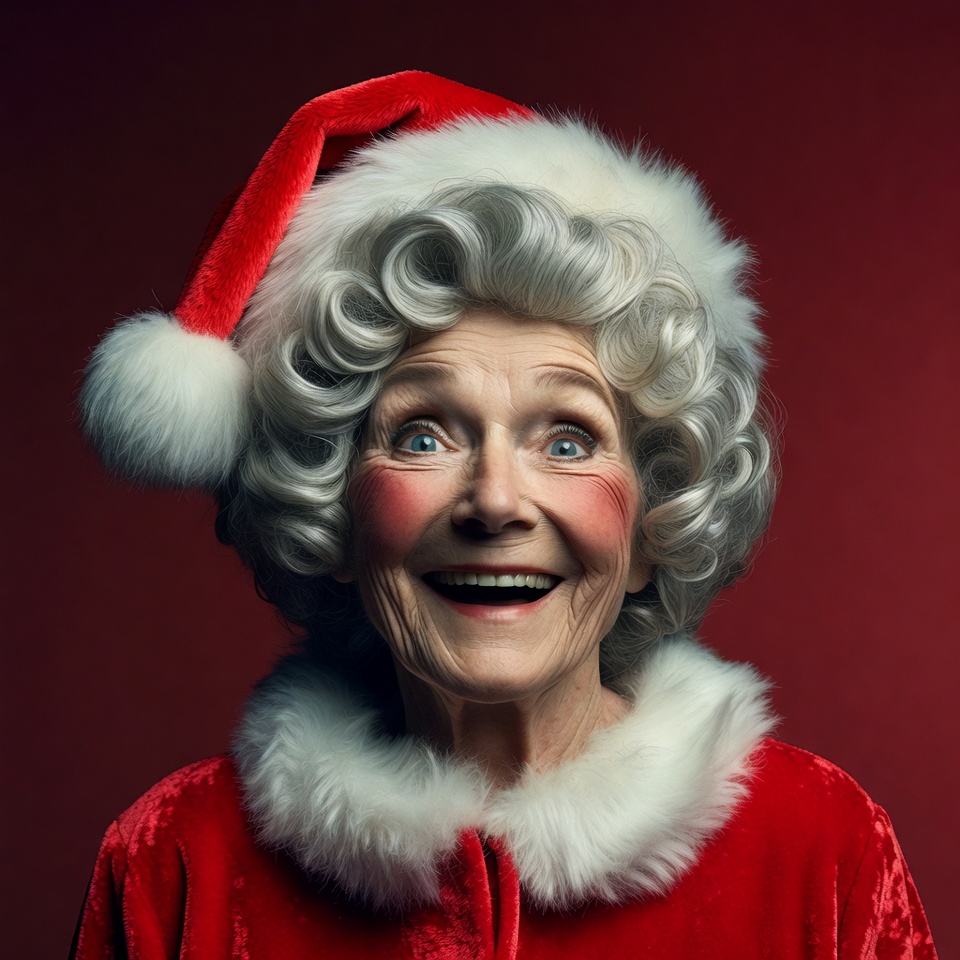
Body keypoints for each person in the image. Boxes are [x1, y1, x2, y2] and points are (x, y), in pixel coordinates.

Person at [72, 71, 937, 958]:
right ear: (333, 514)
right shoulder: (175, 862)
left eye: (566, 440)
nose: (494, 501)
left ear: (649, 525)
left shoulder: (821, 853)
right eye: (420, 437)